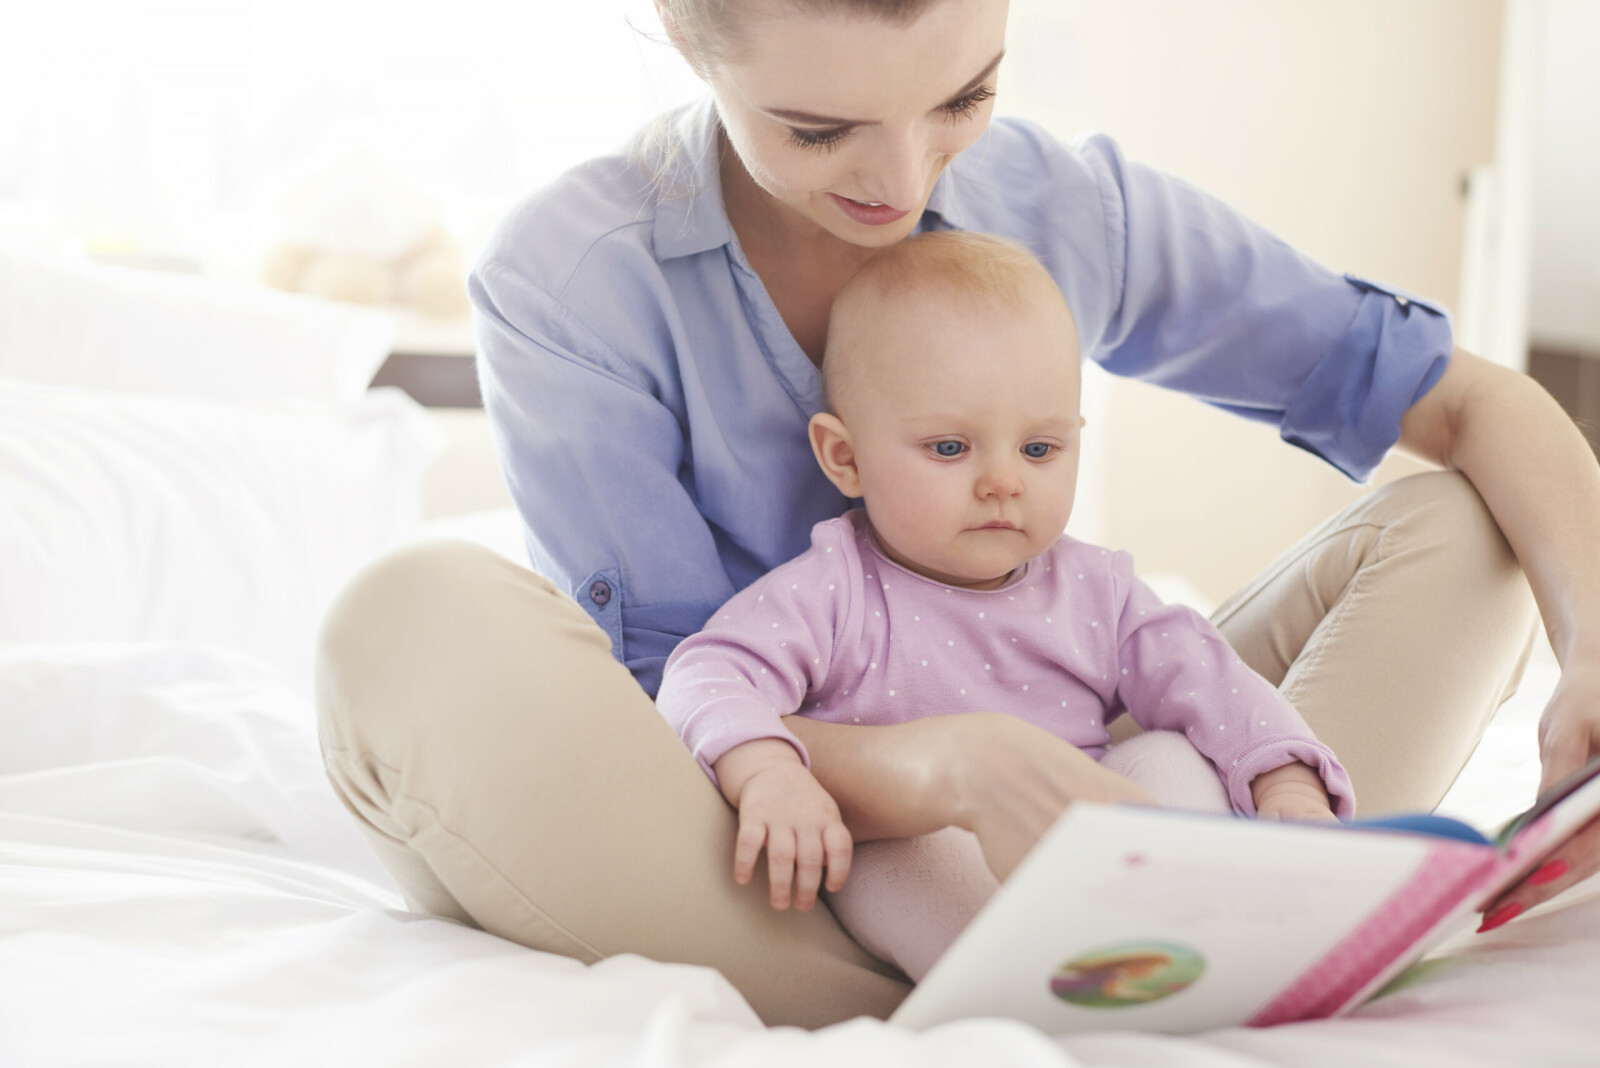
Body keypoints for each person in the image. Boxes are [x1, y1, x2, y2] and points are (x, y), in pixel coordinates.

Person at [315, 0, 1600, 1030]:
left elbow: (1467, 403)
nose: (903, 176)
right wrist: (947, 766)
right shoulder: (575, 276)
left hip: (1079, 800)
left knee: (1469, 524)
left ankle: (1220, 906)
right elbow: (683, 704)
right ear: (681, 28)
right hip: (770, 835)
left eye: (964, 97)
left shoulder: (1058, 208)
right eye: (818, 130)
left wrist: (1593, 644)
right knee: (408, 621)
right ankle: (1036, 981)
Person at [654, 230, 1354, 981]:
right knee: (892, 862)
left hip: (1095, 853)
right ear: (845, 458)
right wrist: (769, 772)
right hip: (936, 854)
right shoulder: (835, 587)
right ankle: (1022, 981)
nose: (1003, 482)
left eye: (1040, 450)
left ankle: (1188, 939)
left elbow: (1216, 684)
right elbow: (706, 674)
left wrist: (1286, 783)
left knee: (1176, 755)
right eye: (952, 449)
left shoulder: (1098, 590)